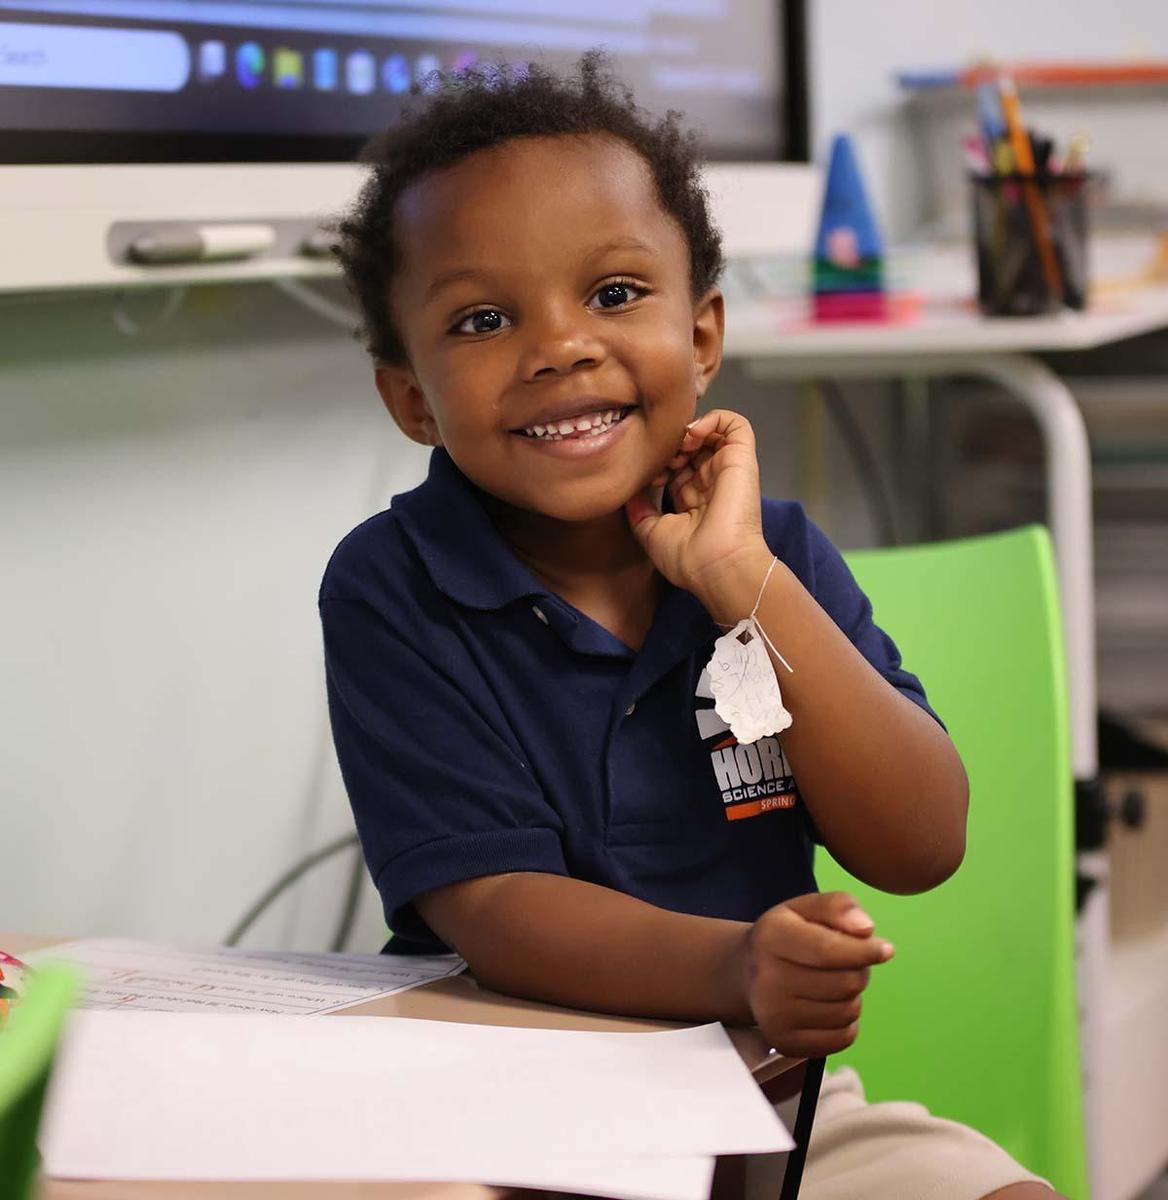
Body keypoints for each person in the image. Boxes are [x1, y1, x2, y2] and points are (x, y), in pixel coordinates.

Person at [320, 53, 1061, 1200]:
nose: (561, 345)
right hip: (501, 1087)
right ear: (411, 396)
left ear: (704, 334)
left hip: (759, 1090)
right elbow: (497, 909)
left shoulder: (768, 555)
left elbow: (921, 844)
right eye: (481, 318)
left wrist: (739, 579)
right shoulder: (392, 583)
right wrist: (739, 961)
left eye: (614, 294)